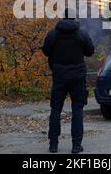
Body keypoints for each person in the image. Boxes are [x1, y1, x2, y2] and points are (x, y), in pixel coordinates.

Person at [42, 8, 95, 154]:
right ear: (74, 18)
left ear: (63, 17)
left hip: (59, 76)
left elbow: (46, 51)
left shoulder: (53, 34)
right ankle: (76, 145)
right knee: (77, 109)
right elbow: (90, 51)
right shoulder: (81, 34)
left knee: (55, 109)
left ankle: (53, 145)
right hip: (77, 77)